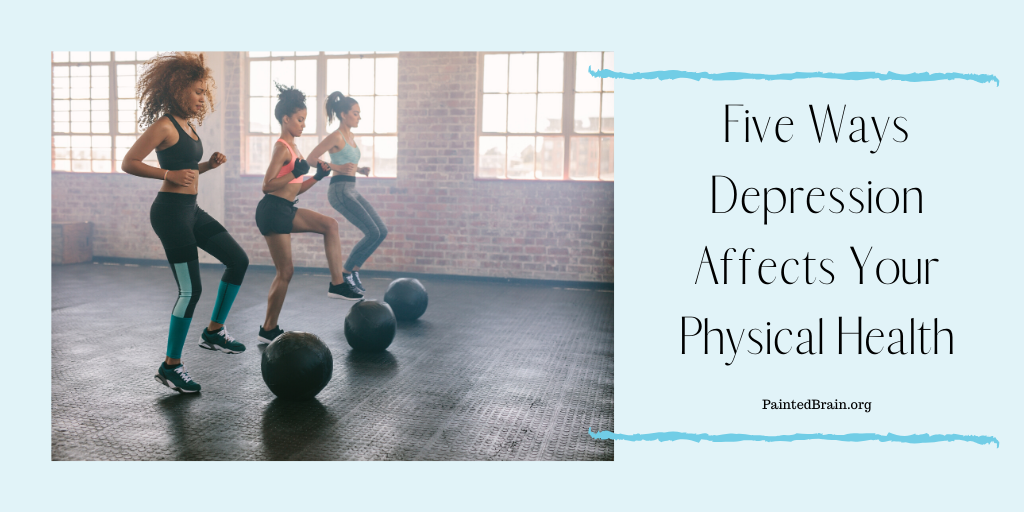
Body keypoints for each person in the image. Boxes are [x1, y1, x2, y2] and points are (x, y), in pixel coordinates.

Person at [121, 52, 248, 394]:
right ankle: (171, 366)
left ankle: (214, 331)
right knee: (191, 290)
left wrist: (208, 164)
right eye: (197, 91)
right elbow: (129, 162)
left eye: (204, 92)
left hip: (190, 210)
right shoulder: (164, 125)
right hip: (169, 213)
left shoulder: (189, 126)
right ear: (178, 90)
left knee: (238, 260)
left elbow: (186, 172)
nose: (202, 98)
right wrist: (167, 173)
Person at [256, 84, 363, 344]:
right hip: (272, 211)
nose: (303, 125)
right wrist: (295, 171)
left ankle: (337, 283)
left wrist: (317, 175)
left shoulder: (295, 148)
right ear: (286, 119)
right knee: (285, 272)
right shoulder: (282, 147)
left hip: (285, 208)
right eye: (300, 120)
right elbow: (267, 185)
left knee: (330, 225)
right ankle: (268, 329)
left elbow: (296, 188)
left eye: (305, 120)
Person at [305, 92, 387, 296]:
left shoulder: (350, 136)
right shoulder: (336, 136)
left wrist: (359, 170)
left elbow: (347, 162)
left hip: (351, 188)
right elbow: (311, 159)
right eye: (355, 113)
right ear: (343, 114)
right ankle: (347, 272)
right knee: (373, 232)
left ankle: (354, 271)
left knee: (381, 231)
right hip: (339, 190)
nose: (359, 117)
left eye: (359, 114)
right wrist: (337, 168)